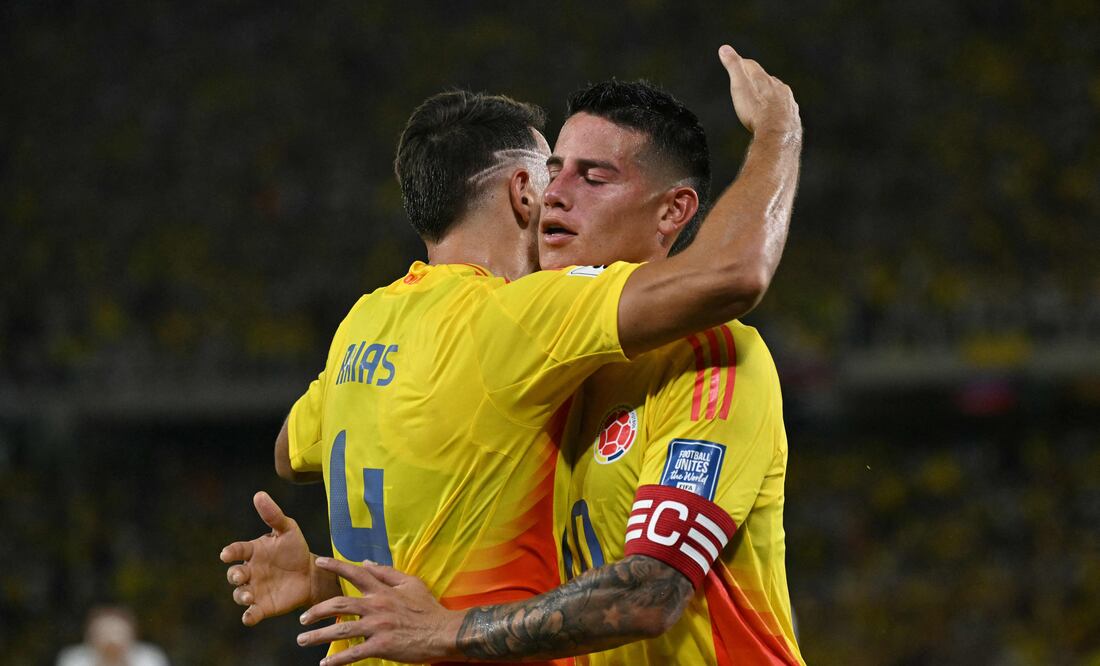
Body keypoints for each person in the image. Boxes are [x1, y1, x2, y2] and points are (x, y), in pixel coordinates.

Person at [222, 43, 800, 665]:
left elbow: (649, 596)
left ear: (672, 212)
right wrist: (334, 583)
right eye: (555, 170)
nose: (557, 193)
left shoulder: (712, 359)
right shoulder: (549, 367)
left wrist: (778, 130)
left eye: (593, 176)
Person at [57, 606, 169, 666]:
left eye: (117, 632)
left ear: (132, 635)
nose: (111, 638)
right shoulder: (74, 659)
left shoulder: (149, 658)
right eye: (104, 632)